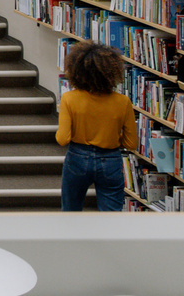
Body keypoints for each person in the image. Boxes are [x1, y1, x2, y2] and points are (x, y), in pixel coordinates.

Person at [56, 40, 135, 211]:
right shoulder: (123, 102)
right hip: (110, 159)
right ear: (112, 73)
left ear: (76, 71)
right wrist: (110, 135)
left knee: (70, 211)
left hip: (78, 157)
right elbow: (131, 143)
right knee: (111, 216)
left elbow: (63, 139)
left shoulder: (69, 99)